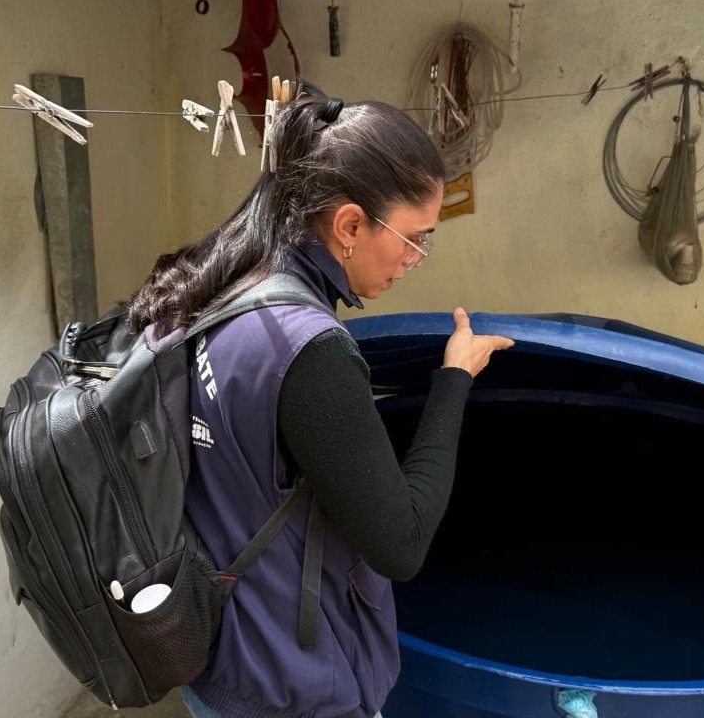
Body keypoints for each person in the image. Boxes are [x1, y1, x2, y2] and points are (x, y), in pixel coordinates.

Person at [125, 82, 514, 718]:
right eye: (415, 237)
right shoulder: (308, 350)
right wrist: (454, 378)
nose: (417, 258)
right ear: (351, 224)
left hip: (215, 659)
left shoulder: (214, 287)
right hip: (292, 689)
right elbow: (402, 543)